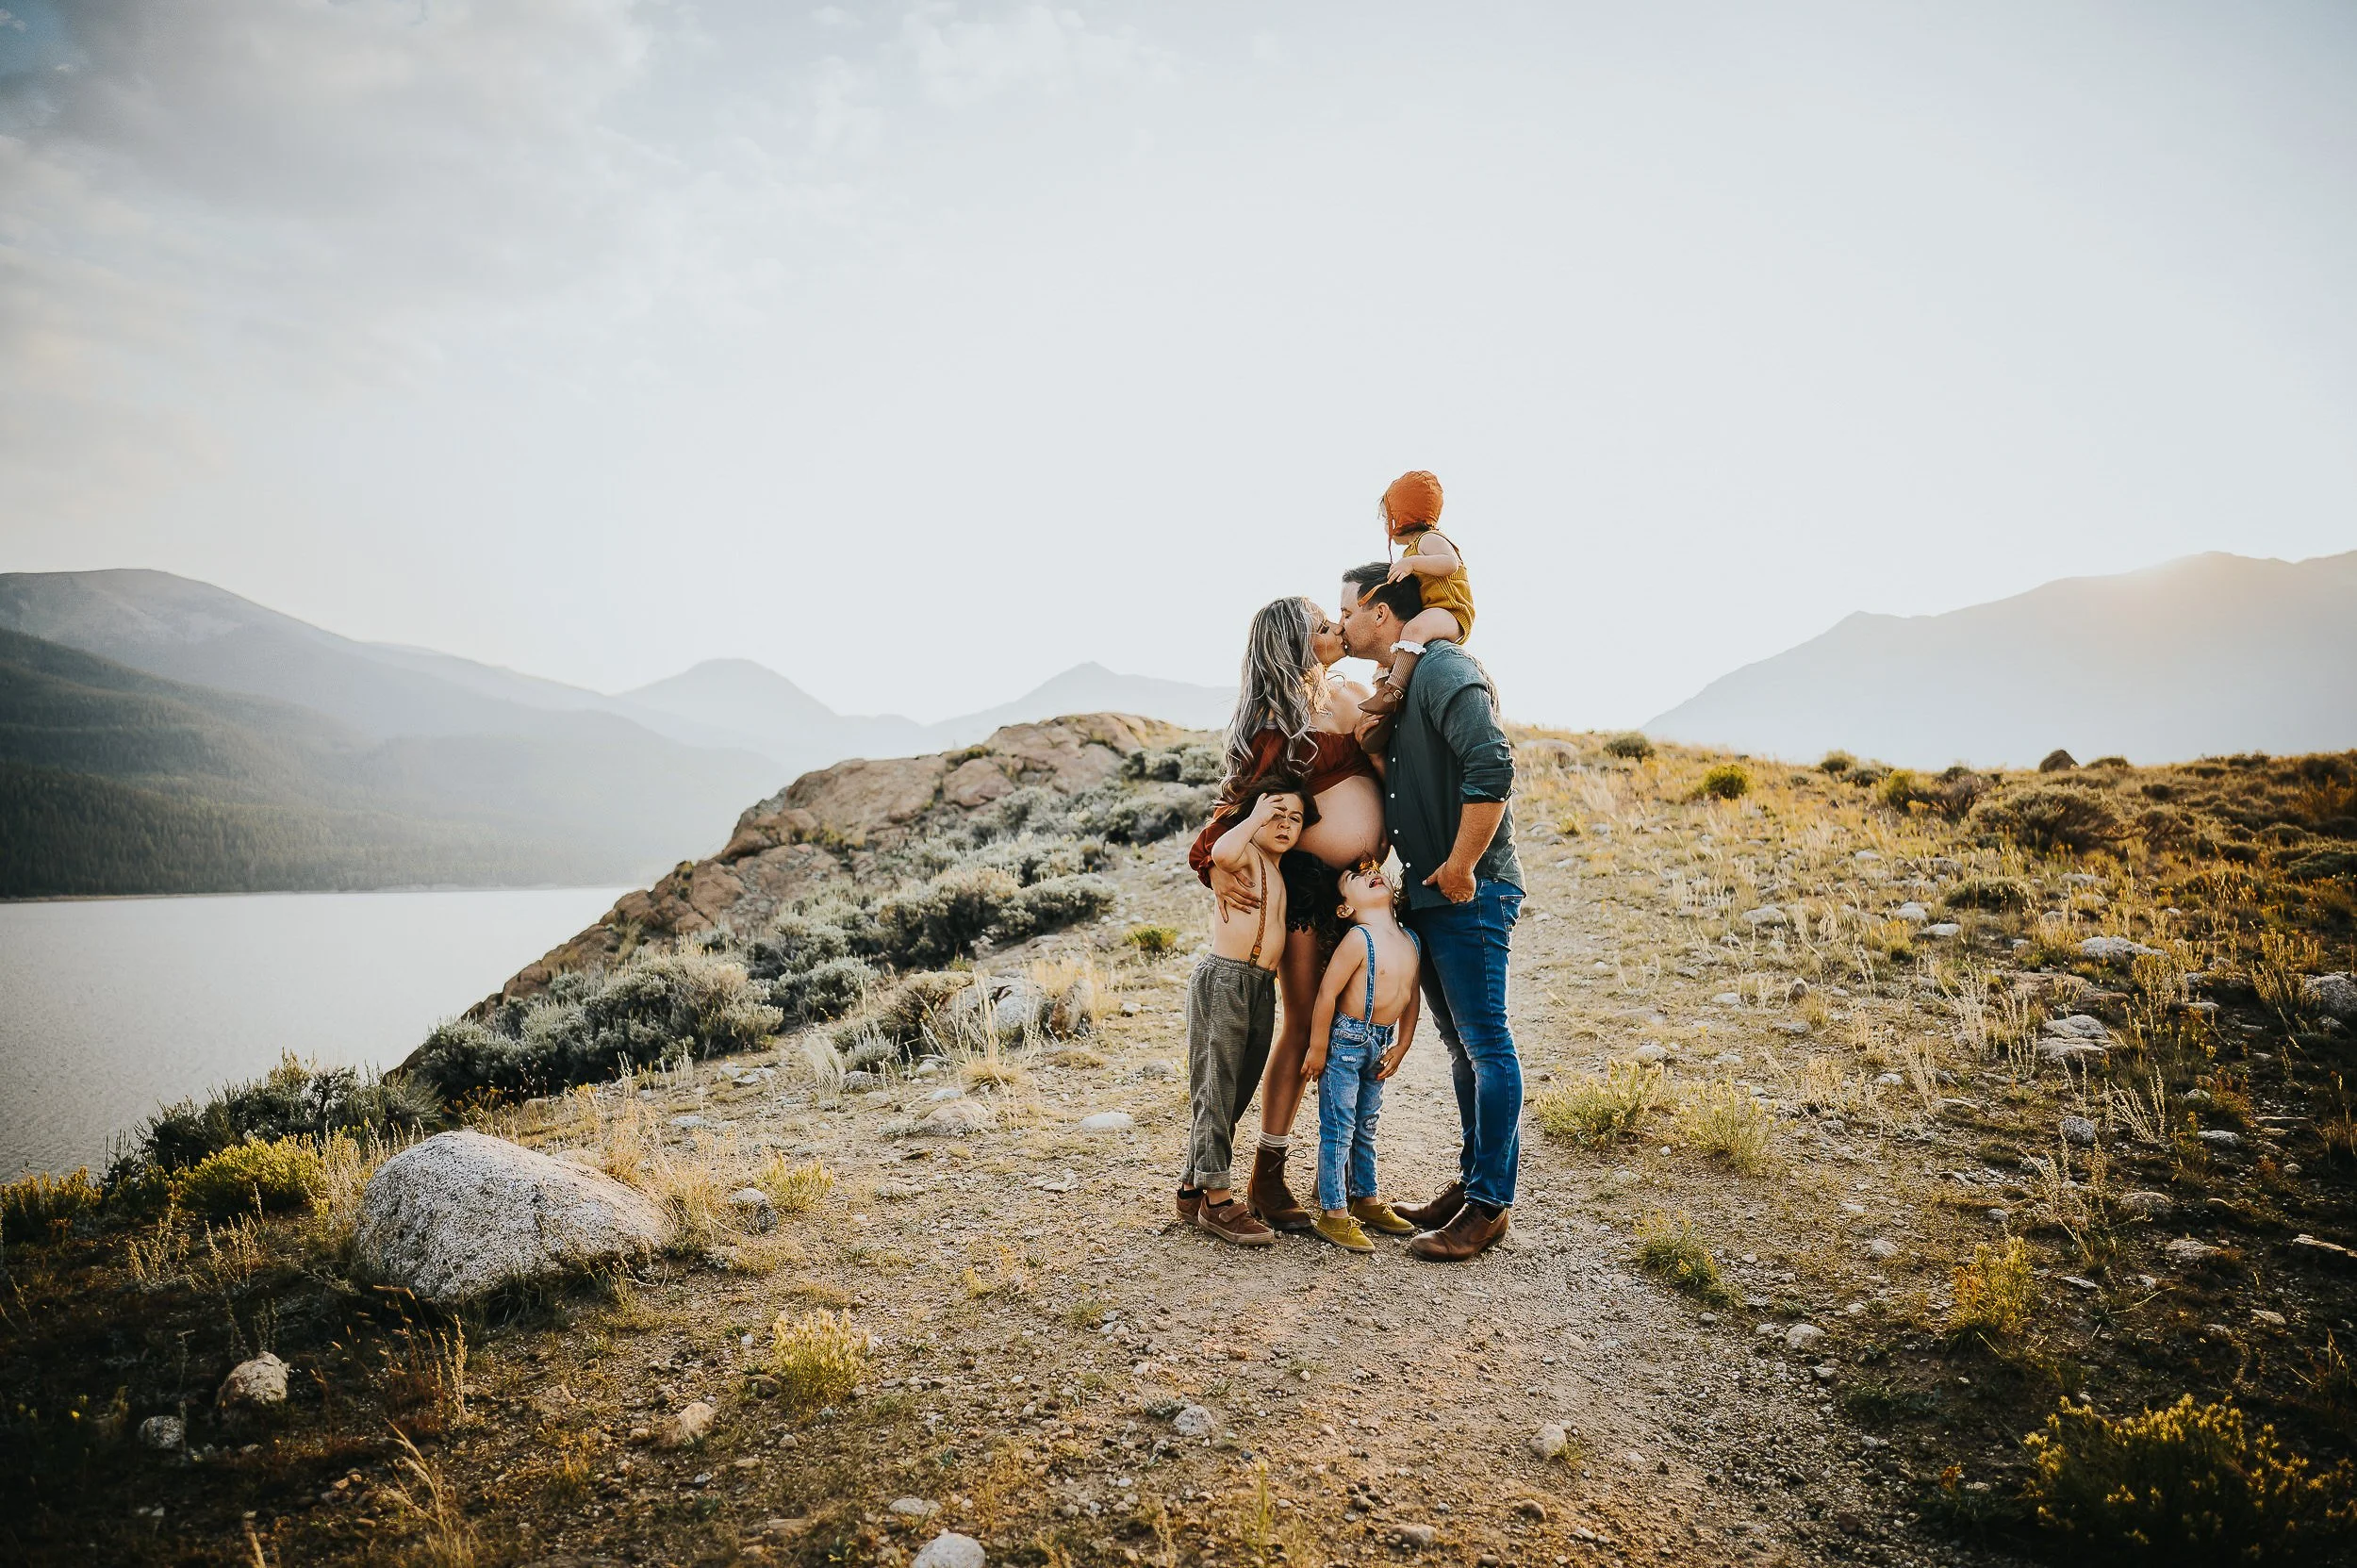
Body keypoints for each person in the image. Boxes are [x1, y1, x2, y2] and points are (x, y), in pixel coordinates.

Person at [1337, 559, 1524, 1263]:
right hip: (1432, 893)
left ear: (1383, 612)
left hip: (1468, 889)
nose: (1345, 622)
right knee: (1460, 1043)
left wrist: (1461, 865)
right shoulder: (1405, 682)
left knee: (1485, 1041)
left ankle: (1489, 1205)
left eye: (1349, 610)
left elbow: (1493, 765)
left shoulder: (1443, 668)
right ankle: (1474, 1183)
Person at [1187, 598, 1387, 1233]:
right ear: (1294, 646)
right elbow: (1233, 808)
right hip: (1303, 887)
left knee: (1352, 1027)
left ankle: (1348, 1178)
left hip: (1357, 887)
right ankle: (1266, 1173)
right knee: (1303, 1023)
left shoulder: (1350, 695)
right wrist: (1209, 860)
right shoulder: (1278, 726)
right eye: (1320, 627)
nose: (1334, 631)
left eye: (1335, 621)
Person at [1178, 775, 1317, 1246]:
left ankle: (1193, 1185)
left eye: (1294, 818)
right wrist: (1256, 814)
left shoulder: (1280, 868)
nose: (1284, 823)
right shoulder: (1243, 856)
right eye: (1275, 814)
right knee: (1217, 1085)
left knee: (1236, 1089)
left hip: (1259, 986)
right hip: (1225, 979)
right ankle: (1218, 1200)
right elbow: (1218, 853)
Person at [1300, 861, 1422, 1253]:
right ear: (1344, 908)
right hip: (1346, 1043)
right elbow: (1327, 994)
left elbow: (1411, 996)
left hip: (1381, 1041)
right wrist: (1318, 1048)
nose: (1372, 874)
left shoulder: (1410, 940)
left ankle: (1365, 1199)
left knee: (1367, 1124)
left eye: (1374, 870)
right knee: (1340, 1127)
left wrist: (1402, 1045)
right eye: (1355, 877)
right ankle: (1333, 1213)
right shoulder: (1358, 938)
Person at [1352, 470, 1477, 751]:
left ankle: (1393, 692)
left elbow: (1449, 564)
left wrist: (1412, 565)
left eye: (1388, 518)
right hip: (1434, 609)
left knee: (1414, 630)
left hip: (1451, 611)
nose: (1386, 525)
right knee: (1397, 645)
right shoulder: (1411, 550)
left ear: (1404, 516)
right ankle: (1382, 707)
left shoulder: (1428, 540)